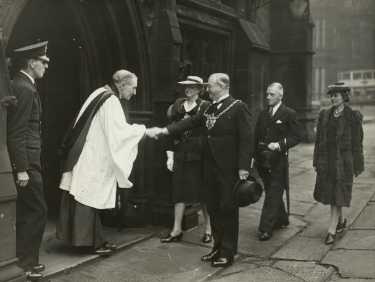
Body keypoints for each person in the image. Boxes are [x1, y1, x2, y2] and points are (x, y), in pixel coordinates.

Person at [154, 73, 253, 267]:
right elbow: (190, 122)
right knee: (214, 209)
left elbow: (247, 139)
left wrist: (243, 167)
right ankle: (217, 248)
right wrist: (166, 130)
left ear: (223, 86)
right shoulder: (210, 107)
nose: (207, 89)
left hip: (229, 169)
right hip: (210, 168)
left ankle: (228, 252)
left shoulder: (238, 107)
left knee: (227, 210)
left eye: (211, 86)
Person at [57, 69, 155, 255]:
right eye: (133, 88)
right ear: (122, 85)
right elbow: (119, 133)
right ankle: (87, 243)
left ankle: (95, 241)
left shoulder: (99, 92)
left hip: (87, 153)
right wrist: (143, 131)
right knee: (88, 197)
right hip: (93, 157)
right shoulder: (111, 101)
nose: (134, 93)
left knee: (85, 194)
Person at [7, 41, 50, 281]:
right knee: (37, 210)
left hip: (29, 161)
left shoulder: (24, 85)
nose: (46, 66)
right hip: (27, 164)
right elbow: (17, 132)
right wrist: (21, 169)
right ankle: (26, 263)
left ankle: (25, 261)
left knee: (29, 211)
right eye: (43, 62)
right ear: (31, 62)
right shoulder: (24, 88)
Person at [160, 76, 212, 244]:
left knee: (203, 193)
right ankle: (176, 230)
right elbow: (172, 131)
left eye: (191, 87)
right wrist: (170, 154)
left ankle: (209, 229)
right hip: (181, 152)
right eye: (186, 87)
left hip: (199, 154)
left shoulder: (206, 107)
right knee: (179, 191)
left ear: (199, 89)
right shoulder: (177, 106)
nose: (187, 89)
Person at [313, 82, 364, 245]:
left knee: (337, 195)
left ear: (344, 97)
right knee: (333, 194)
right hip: (327, 161)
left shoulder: (352, 117)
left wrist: (357, 164)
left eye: (336, 95)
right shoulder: (325, 115)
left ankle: (331, 230)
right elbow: (318, 141)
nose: (333, 98)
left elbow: (357, 143)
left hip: (343, 162)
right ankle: (340, 222)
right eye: (332, 95)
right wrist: (316, 160)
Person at [254, 82, 301, 241]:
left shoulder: (289, 113)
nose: (268, 97)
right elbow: (256, 137)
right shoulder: (262, 114)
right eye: (267, 94)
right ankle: (281, 219)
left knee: (273, 192)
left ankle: (265, 228)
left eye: (271, 94)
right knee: (271, 190)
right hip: (263, 160)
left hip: (279, 160)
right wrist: (253, 157)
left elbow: (296, 136)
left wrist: (280, 145)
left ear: (280, 95)